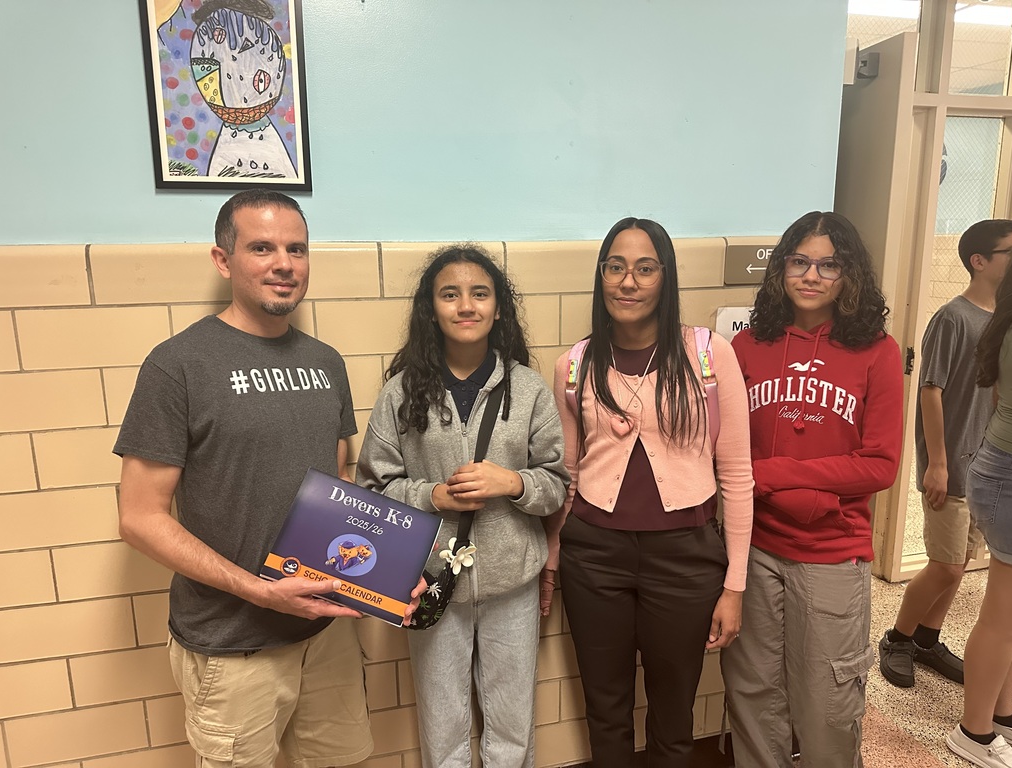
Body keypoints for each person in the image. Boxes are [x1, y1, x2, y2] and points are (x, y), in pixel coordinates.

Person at [115, 189, 421, 767]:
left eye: (296, 249)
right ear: (223, 259)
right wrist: (259, 590)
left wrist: (387, 574)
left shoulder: (326, 362)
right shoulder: (178, 365)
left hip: (326, 634)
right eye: (262, 248)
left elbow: (338, 489)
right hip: (234, 645)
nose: (284, 264)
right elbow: (139, 518)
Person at [541, 217, 754, 768]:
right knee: (605, 709)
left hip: (685, 558)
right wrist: (552, 558)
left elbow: (736, 475)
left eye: (644, 268)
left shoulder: (708, 354)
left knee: (673, 716)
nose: (628, 281)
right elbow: (567, 473)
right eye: (615, 267)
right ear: (601, 276)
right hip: (594, 557)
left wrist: (734, 586)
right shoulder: (575, 365)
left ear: (666, 276)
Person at [356, 244, 569, 768]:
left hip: (512, 586)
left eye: (480, 294)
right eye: (450, 295)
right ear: (431, 309)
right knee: (442, 724)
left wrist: (512, 483)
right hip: (429, 585)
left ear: (498, 309)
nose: (466, 305)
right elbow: (374, 489)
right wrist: (432, 495)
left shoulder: (528, 390)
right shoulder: (401, 393)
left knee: (512, 725)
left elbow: (556, 486)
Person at [720, 211, 903, 768]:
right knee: (753, 693)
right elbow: (726, 448)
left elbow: (880, 466)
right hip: (753, 549)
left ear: (850, 275)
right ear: (781, 268)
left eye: (829, 265)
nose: (812, 276)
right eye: (800, 261)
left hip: (832, 554)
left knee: (827, 705)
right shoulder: (747, 346)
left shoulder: (878, 351)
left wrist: (776, 474)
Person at [880, 219, 1012, 689]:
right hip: (953, 463)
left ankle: (927, 639)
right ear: (979, 261)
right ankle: (898, 638)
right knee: (945, 564)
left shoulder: (1005, 319)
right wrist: (937, 463)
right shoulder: (953, 317)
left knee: (960, 562)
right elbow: (930, 389)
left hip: (988, 466)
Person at [947, 242, 1012, 768]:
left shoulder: (1010, 321)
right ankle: (973, 733)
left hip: (1004, 465)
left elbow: (998, 400)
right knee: (1004, 619)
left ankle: (1004, 716)